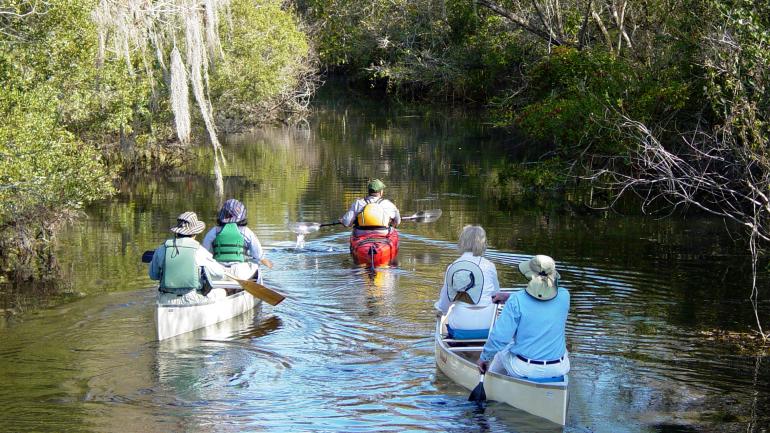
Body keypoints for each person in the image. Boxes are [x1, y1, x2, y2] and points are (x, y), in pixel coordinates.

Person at [477, 255, 570, 380]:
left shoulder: (517, 301)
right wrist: (509, 297)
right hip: (558, 367)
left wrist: (484, 358)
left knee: (502, 350)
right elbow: (541, 302)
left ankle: (489, 380)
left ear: (530, 276)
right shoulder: (565, 296)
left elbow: (500, 338)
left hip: (525, 368)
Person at [435, 225, 500, 338]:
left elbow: (445, 301)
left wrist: (441, 312)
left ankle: (454, 347)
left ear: (462, 242)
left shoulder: (453, 267)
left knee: (444, 320)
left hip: (461, 325)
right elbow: (496, 295)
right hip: (488, 326)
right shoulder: (490, 266)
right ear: (483, 243)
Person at [149, 211, 227, 305]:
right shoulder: (199, 251)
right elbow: (220, 274)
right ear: (195, 233)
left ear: (177, 232)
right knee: (222, 292)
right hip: (191, 299)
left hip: (165, 300)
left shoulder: (162, 248)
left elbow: (153, 275)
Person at [202, 198, 273, 280]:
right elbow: (258, 255)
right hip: (240, 273)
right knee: (256, 263)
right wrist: (268, 263)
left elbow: (205, 253)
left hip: (218, 272)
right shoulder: (246, 232)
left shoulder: (213, 231)